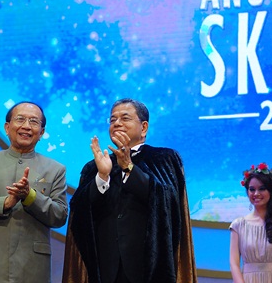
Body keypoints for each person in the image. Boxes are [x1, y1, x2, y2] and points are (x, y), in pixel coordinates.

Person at [62, 98, 197, 283]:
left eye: (125, 118)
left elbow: (166, 202)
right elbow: (79, 212)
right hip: (105, 269)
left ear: (144, 127)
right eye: (113, 119)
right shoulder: (94, 167)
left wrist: (128, 167)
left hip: (149, 269)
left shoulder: (164, 158)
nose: (117, 123)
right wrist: (102, 176)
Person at [0, 101, 68, 283]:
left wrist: (30, 196)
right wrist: (5, 203)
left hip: (33, 266)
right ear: (7, 127)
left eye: (34, 122)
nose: (26, 126)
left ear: (41, 132)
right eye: (20, 119)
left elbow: (59, 216)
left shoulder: (55, 169)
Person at [229, 163, 272, 283]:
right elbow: (234, 263)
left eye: (262, 188)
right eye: (252, 189)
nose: (256, 193)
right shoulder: (238, 225)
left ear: (271, 191)